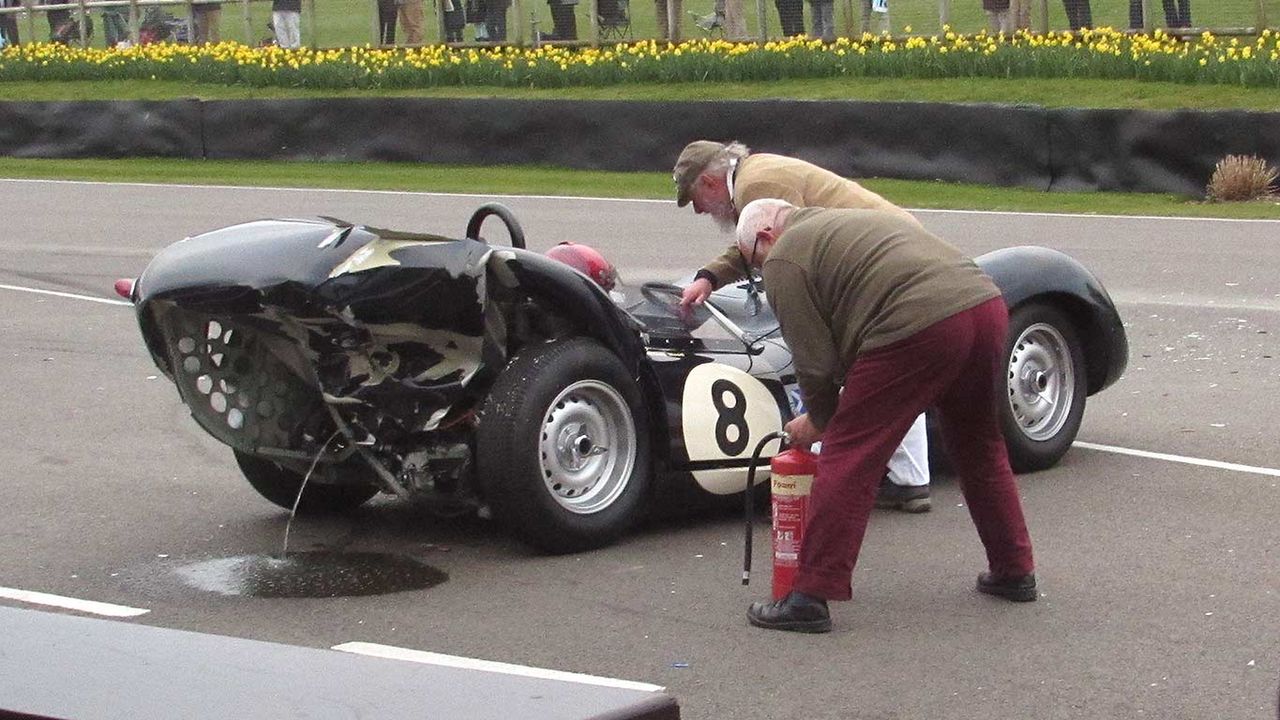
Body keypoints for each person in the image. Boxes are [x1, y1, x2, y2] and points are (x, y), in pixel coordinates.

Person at [734, 199, 1037, 633]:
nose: (762, 273)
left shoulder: (784, 256)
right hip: (984, 304)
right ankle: (1014, 569)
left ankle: (809, 596)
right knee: (979, 444)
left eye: (754, 263)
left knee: (850, 453)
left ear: (765, 237)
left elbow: (814, 362)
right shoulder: (837, 219)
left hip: (917, 321)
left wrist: (818, 420)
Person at [672, 139, 933, 513]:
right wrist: (710, 276)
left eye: (694, 196)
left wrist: (816, 411)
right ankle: (908, 481)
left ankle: (824, 479)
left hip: (876, 260)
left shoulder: (755, 186)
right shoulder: (755, 173)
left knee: (856, 363)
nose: (698, 209)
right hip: (891, 250)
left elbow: (779, 246)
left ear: (711, 183)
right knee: (893, 364)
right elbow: (756, 242)